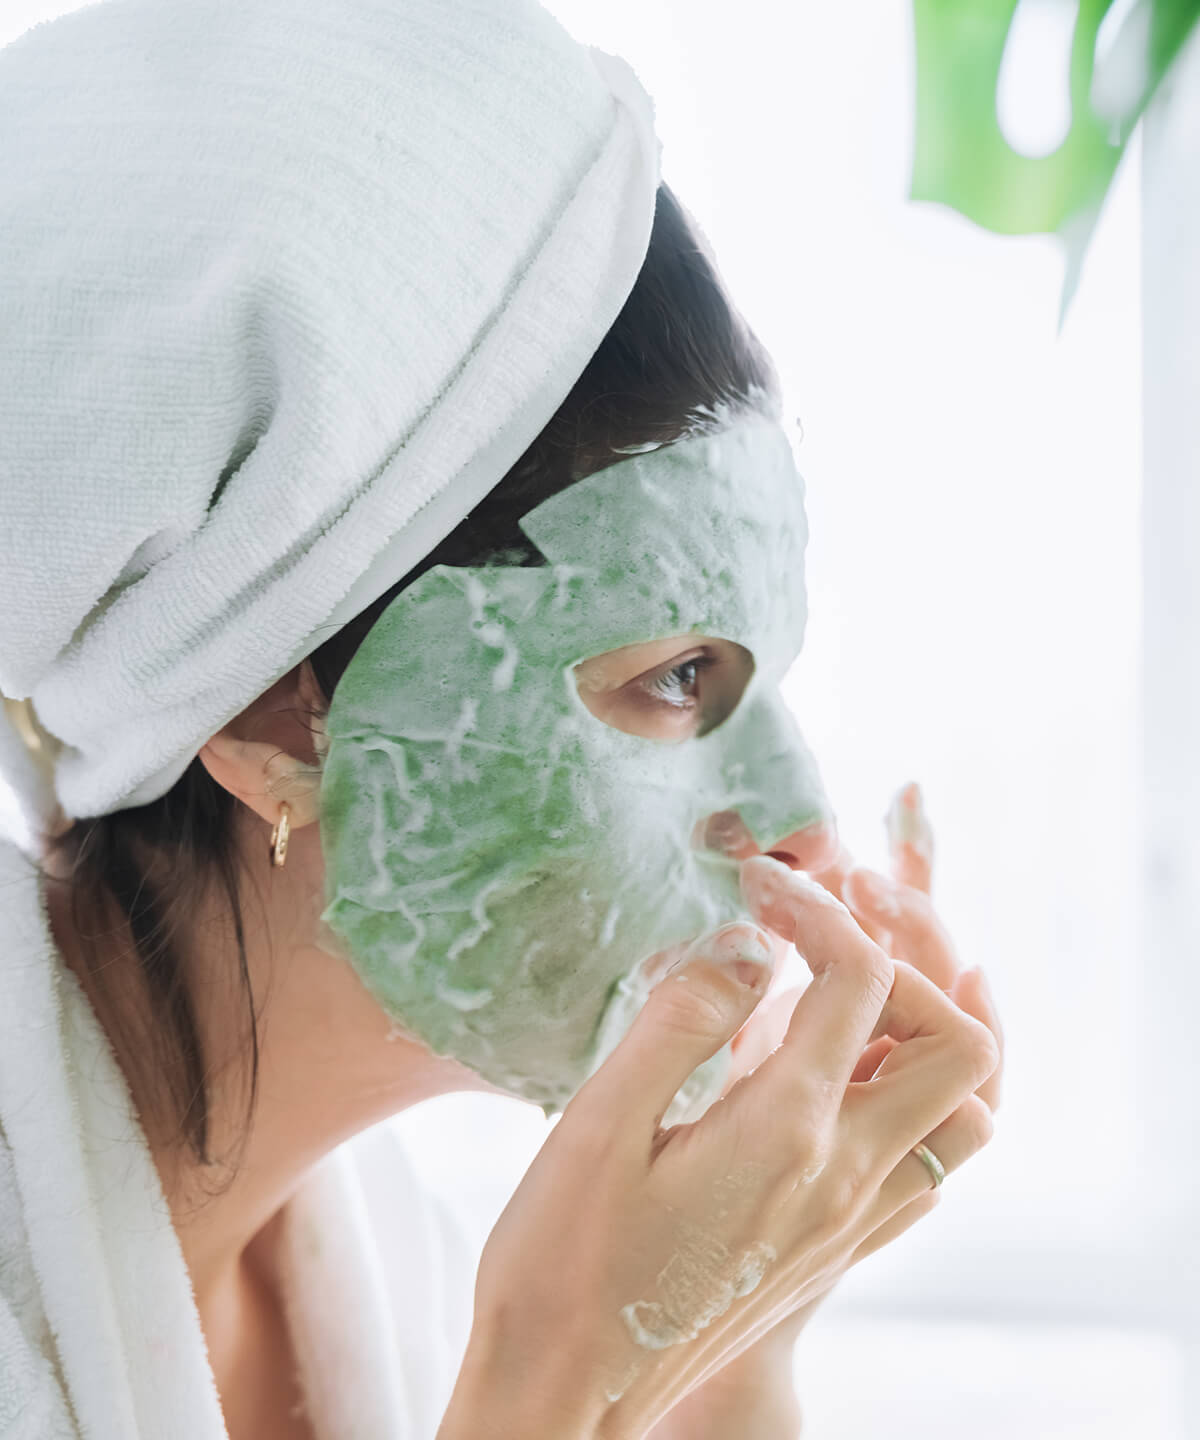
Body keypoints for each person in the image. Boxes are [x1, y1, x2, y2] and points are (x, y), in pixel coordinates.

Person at [0, 1, 1002, 1436]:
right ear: (276, 716)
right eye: (674, 677)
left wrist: (726, 1355)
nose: (803, 827)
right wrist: (552, 1382)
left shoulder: (390, 1264)